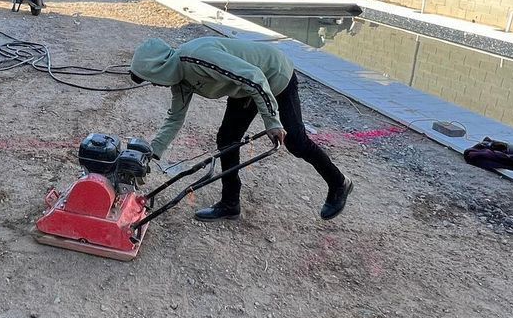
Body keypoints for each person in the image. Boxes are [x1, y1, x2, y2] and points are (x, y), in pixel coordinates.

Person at [130, 36, 352, 222]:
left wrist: (272, 121)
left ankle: (339, 183)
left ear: (159, 69)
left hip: (273, 75)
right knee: (227, 139)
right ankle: (230, 203)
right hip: (244, 89)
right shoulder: (179, 80)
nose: (155, 84)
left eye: (152, 79)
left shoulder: (196, 58)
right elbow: (175, 118)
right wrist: (151, 154)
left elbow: (254, 77)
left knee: (295, 141)